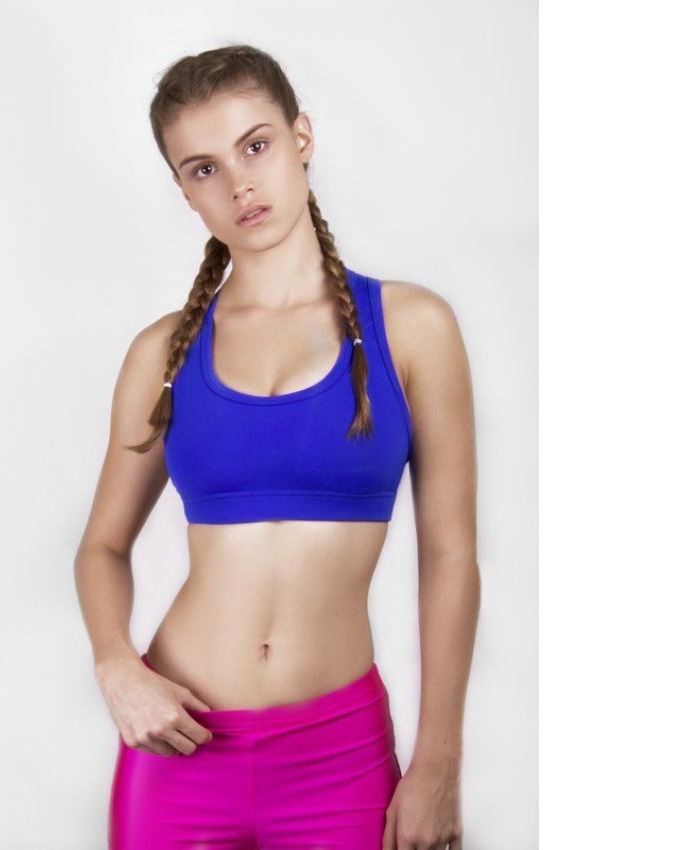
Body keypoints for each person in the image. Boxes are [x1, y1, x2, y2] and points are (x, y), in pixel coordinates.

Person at [74, 44, 480, 850]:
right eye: (203, 169)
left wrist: (439, 762)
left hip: (340, 754)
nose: (239, 185)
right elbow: (102, 547)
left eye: (255, 146)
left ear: (301, 138)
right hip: (180, 750)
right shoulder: (162, 354)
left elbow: (450, 555)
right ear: (185, 191)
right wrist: (117, 664)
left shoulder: (411, 329)